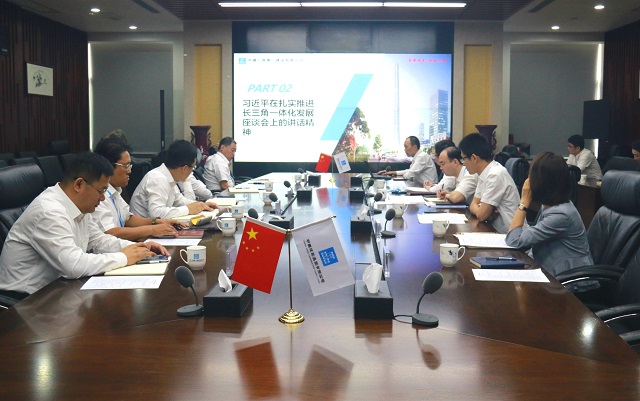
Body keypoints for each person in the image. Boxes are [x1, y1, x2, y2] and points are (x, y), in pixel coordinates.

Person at [0, 152, 169, 295]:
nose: (103, 198)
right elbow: (73, 265)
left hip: (59, 291)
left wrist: (139, 248)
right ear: (79, 184)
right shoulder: (49, 212)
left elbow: (97, 241)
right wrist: (124, 257)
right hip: (25, 303)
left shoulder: (78, 206)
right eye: (101, 190)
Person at [506, 152, 593, 277]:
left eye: (532, 175)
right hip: (549, 271)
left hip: (569, 280)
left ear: (543, 181)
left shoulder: (561, 214)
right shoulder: (550, 205)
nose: (528, 181)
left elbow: (514, 241)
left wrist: (523, 202)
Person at [92, 137, 187, 241]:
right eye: (125, 166)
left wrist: (157, 222)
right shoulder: (98, 195)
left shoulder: (115, 190)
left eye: (130, 165)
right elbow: (110, 233)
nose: (129, 171)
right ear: (108, 166)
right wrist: (152, 229)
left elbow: (127, 219)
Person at [130, 140, 218, 219]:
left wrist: (201, 205)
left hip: (158, 227)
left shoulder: (169, 176)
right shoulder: (157, 178)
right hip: (144, 230)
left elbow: (179, 201)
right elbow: (156, 213)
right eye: (193, 167)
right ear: (184, 168)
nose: (192, 171)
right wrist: (187, 209)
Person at [458, 133, 520, 234]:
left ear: (474, 158)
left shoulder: (495, 174)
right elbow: (473, 204)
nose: (463, 163)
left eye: (463, 159)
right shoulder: (483, 173)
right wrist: (484, 211)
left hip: (510, 235)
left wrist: (482, 211)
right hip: (495, 230)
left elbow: (481, 215)